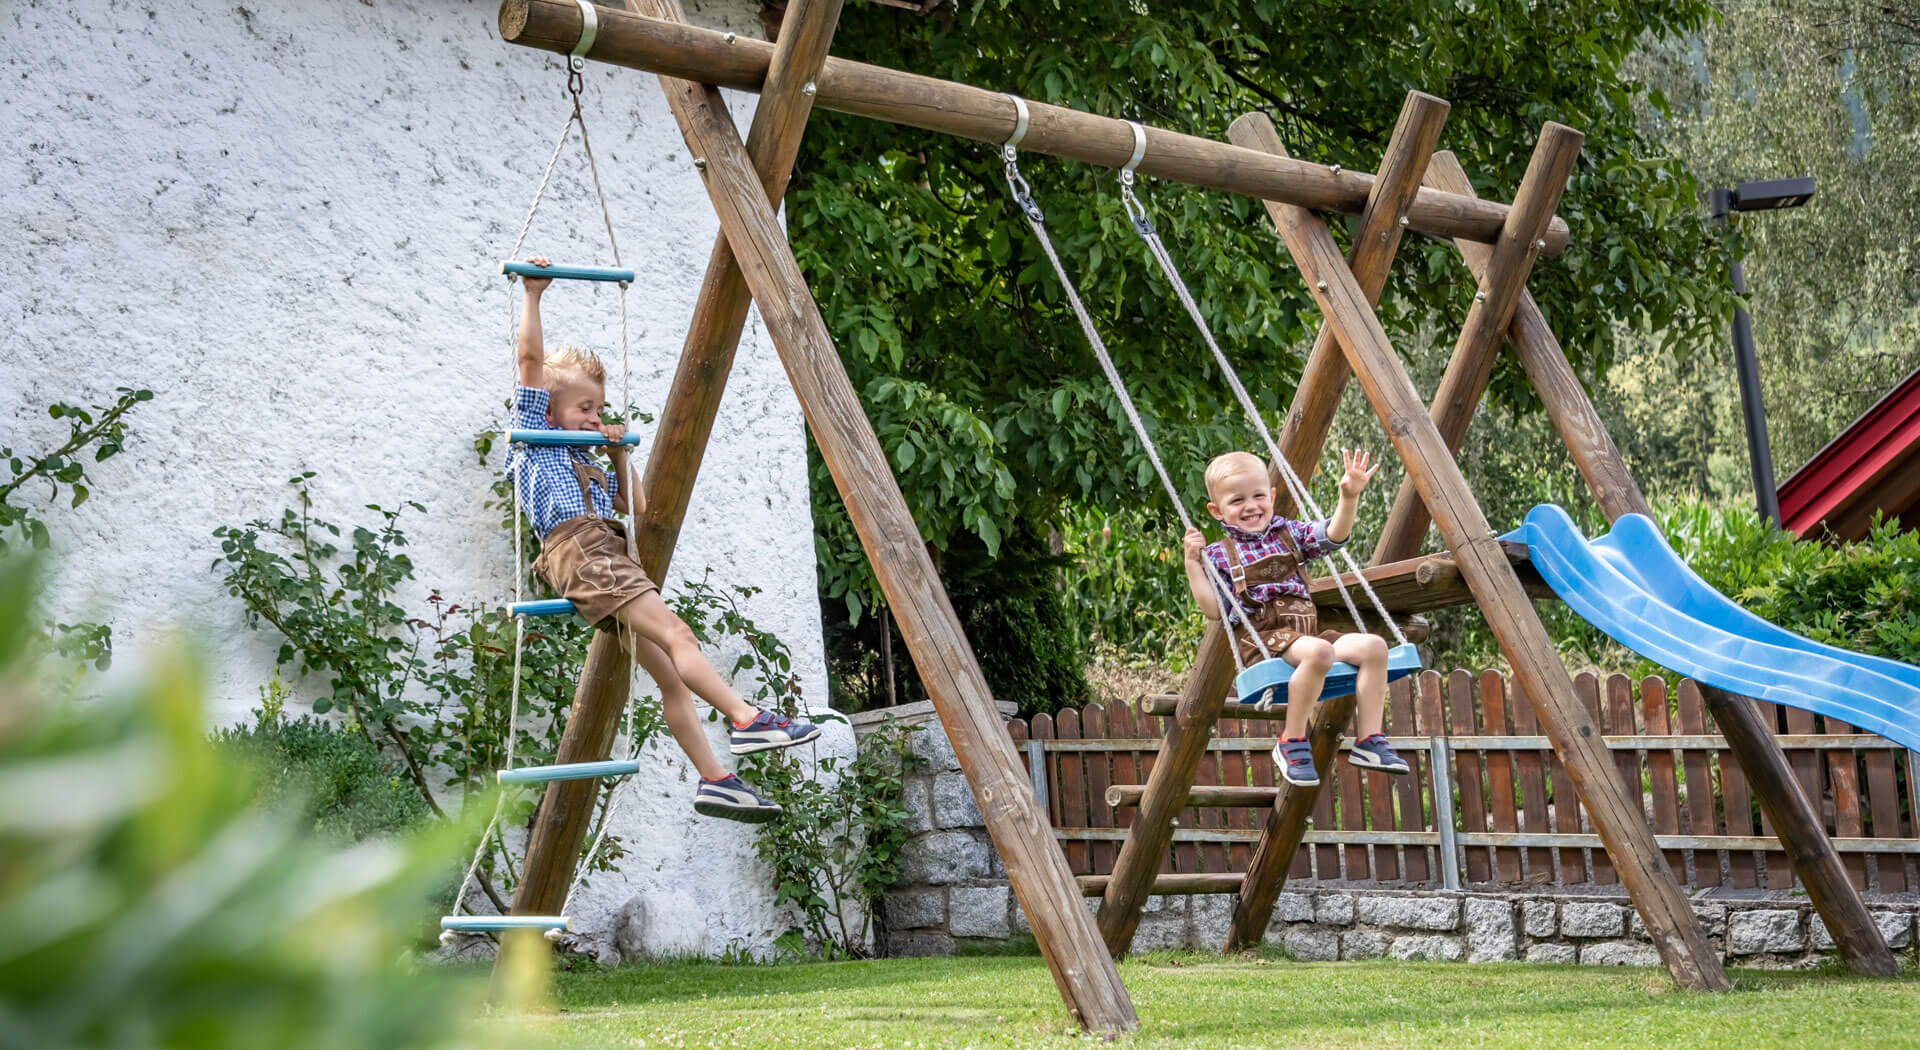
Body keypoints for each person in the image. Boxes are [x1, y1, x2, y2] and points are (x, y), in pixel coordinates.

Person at [508, 256, 816, 823]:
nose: (593, 416)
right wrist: (533, 295)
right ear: (547, 408)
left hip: (605, 556)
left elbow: (637, 507)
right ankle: (747, 721)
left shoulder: (588, 461)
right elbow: (529, 360)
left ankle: (717, 780)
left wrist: (619, 451)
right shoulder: (538, 442)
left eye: (597, 408)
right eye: (584, 408)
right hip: (586, 556)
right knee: (678, 633)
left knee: (672, 670)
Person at [1181, 449, 1409, 787]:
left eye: (1258, 495)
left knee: (1374, 646)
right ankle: (1291, 740)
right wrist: (1191, 563)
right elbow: (1214, 609)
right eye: (1237, 500)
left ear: (1272, 496)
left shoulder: (1288, 534)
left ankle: (1369, 740)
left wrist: (1348, 497)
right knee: (1319, 653)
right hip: (1264, 639)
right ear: (1217, 511)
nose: (1251, 506)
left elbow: (1334, 536)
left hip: (1308, 635)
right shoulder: (1218, 554)